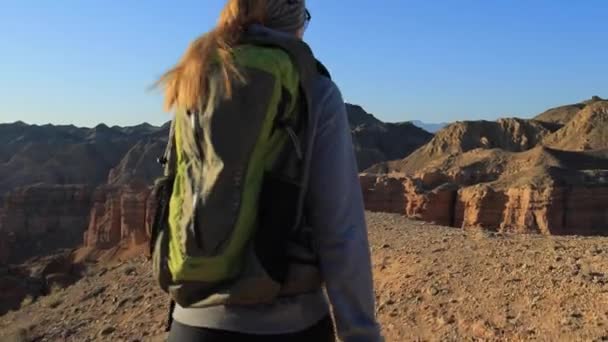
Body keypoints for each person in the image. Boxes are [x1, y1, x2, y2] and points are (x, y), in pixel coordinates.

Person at [155, 1, 382, 341]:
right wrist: (361, 333)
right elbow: (340, 230)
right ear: (295, 20)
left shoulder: (198, 74)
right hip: (290, 324)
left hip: (191, 325)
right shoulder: (314, 89)